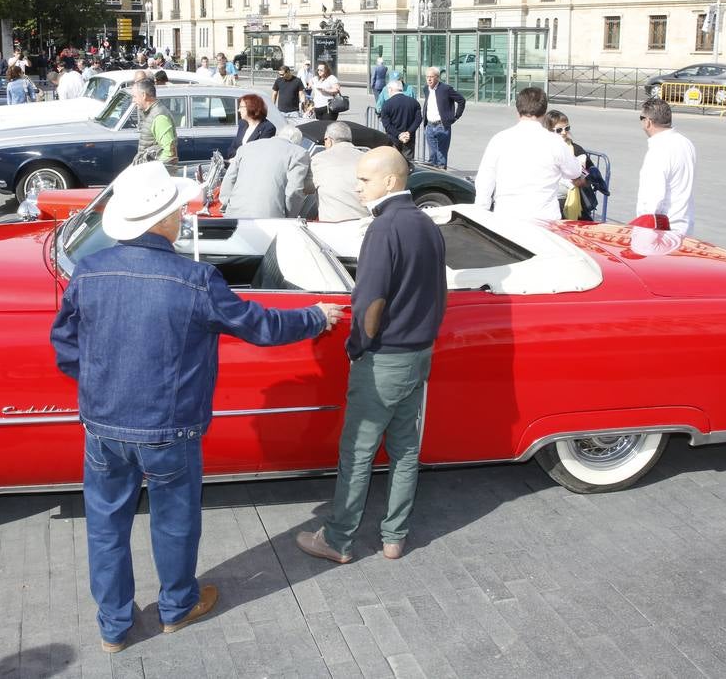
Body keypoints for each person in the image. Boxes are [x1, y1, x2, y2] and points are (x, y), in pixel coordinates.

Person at [50, 161, 343, 653]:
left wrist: (102, 386)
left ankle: (113, 627)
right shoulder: (197, 279)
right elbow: (260, 326)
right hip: (171, 429)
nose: (183, 217)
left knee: (105, 526)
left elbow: (65, 345)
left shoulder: (90, 271)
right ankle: (177, 607)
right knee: (174, 521)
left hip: (103, 425)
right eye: (178, 211)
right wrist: (314, 317)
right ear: (164, 219)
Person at [296, 147, 447, 565]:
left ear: (390, 181)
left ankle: (338, 539)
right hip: (419, 355)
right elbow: (437, 292)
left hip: (384, 359)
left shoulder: (383, 228)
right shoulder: (426, 223)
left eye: (364, 180)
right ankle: (394, 537)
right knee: (405, 450)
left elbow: (370, 302)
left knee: (358, 453)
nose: (357, 187)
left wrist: (357, 346)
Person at [472, 87, 583, 223]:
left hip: (506, 217)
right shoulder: (555, 142)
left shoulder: (499, 139)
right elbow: (574, 172)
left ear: (518, 110)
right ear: (544, 112)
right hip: (544, 219)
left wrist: (481, 212)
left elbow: (485, 179)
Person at [218, 125, 311, 218]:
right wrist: (289, 216)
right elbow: (294, 191)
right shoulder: (299, 153)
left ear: (278, 134)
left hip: (234, 214)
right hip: (269, 218)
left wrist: (227, 204)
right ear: (297, 142)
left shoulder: (246, 147)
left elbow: (229, 179)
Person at [636, 98, 696, 235]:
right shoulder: (686, 143)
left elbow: (653, 199)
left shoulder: (658, 151)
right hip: (684, 224)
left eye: (641, 118)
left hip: (662, 230)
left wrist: (643, 229)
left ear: (648, 121)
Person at [543, 110, 600, 220]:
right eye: (559, 130)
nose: (564, 132)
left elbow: (589, 172)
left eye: (567, 128)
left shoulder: (576, 149)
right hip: (550, 199)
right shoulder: (542, 149)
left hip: (572, 198)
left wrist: (583, 179)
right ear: (549, 131)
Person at [311, 122, 370, 221]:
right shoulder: (366, 158)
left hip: (331, 224)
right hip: (364, 223)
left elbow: (307, 188)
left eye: (324, 140)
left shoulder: (318, 159)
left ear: (329, 140)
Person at [420, 67, 465, 169]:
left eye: (431, 77)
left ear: (437, 77)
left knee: (441, 156)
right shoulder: (426, 89)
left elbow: (461, 100)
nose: (429, 79)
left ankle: (441, 173)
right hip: (430, 126)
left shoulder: (446, 89)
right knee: (432, 156)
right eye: (427, 77)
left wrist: (456, 116)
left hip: (442, 126)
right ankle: (432, 173)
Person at [130, 78, 178, 169]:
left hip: (155, 173)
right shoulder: (151, 113)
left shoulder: (160, 117)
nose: (133, 100)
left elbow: (170, 155)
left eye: (134, 96)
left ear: (144, 95)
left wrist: (152, 167)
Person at [379, 79, 422, 160]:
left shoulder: (386, 105)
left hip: (393, 139)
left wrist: (399, 135)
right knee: (408, 163)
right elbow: (418, 119)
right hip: (409, 138)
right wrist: (408, 132)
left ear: (390, 89)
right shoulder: (414, 102)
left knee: (393, 162)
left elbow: (387, 124)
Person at [225, 93, 276, 159]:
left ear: (252, 107)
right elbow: (231, 149)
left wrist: (240, 157)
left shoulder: (268, 128)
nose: (238, 110)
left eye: (241, 107)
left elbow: (260, 152)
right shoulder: (242, 124)